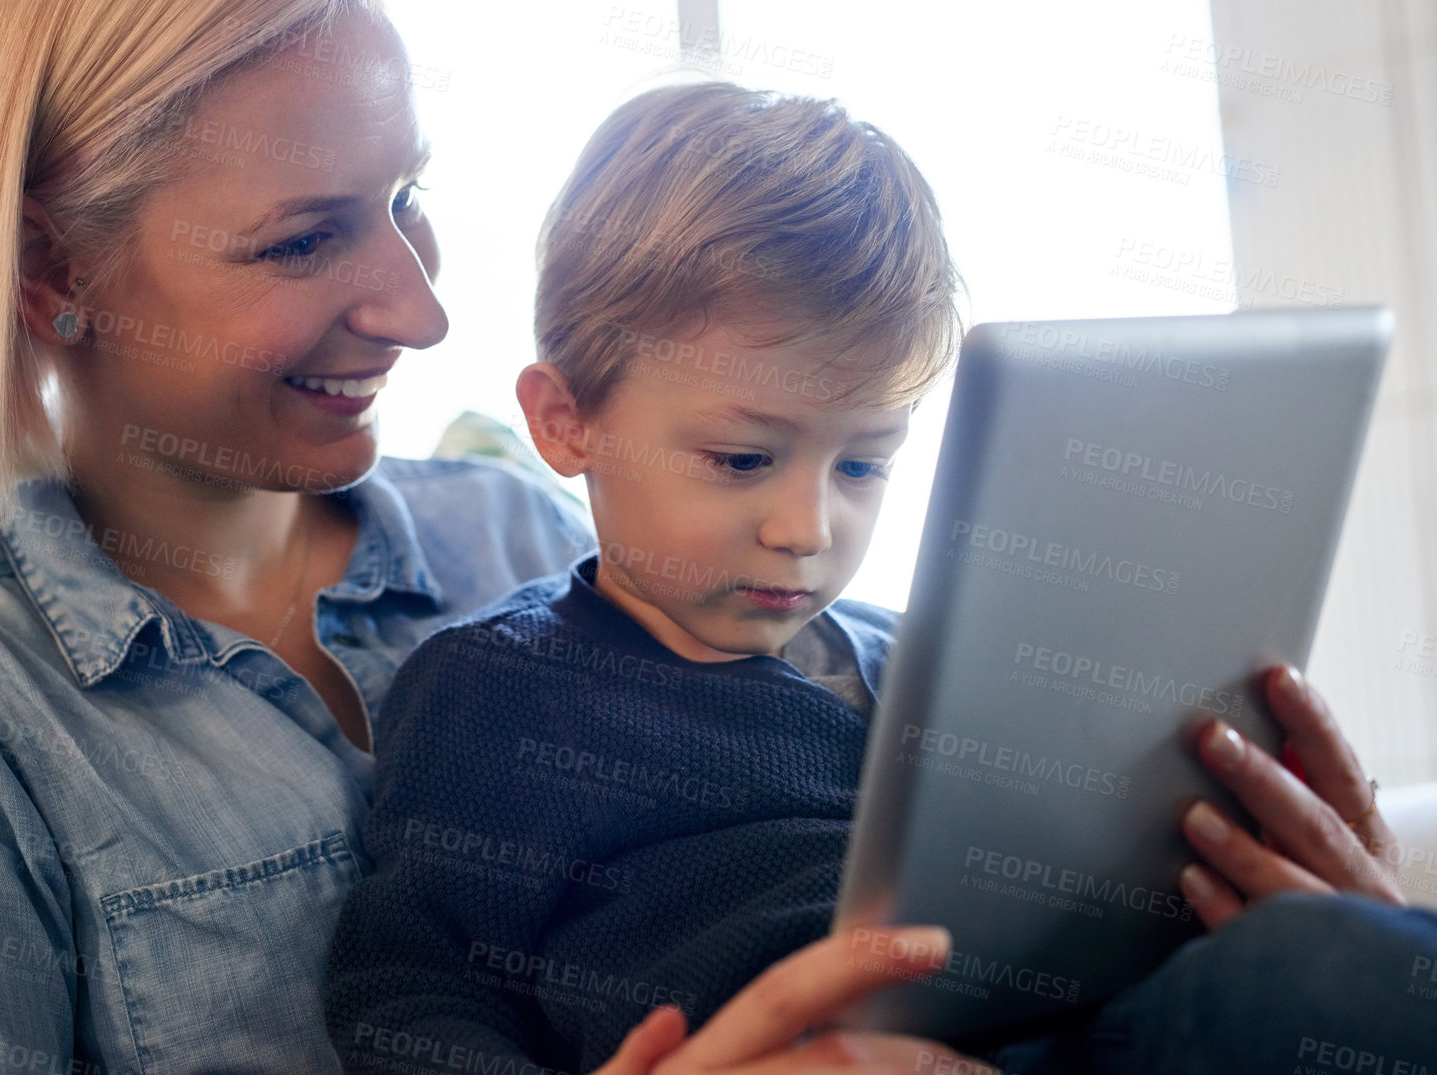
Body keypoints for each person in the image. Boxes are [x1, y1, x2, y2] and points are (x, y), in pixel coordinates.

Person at [0, 0, 1423, 1072]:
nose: (421, 306)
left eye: (408, 196)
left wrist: (1257, 893)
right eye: (302, 237)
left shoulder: (540, 538)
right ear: (51, 272)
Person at [324, 82, 1437, 1075]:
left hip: (1083, 1030)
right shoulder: (497, 691)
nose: (807, 526)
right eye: (740, 458)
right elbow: (411, 990)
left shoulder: (933, 662)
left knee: (1327, 962)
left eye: (863, 462)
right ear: (564, 420)